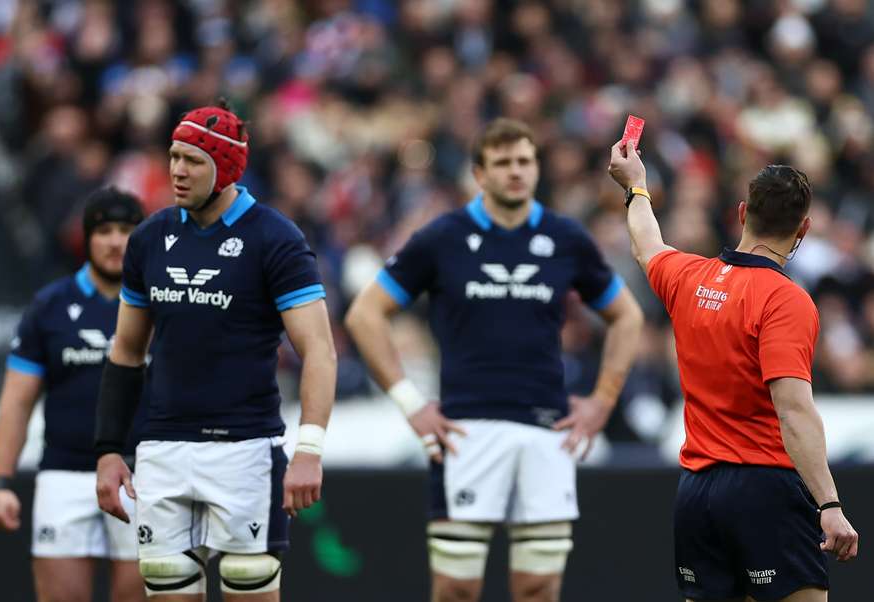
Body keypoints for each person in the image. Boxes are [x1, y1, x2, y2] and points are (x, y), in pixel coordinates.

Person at [345, 118, 645, 602]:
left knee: (538, 588)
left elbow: (627, 317)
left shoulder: (565, 238)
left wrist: (602, 401)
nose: (515, 172)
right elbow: (365, 315)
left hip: (548, 427)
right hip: (465, 430)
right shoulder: (442, 237)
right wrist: (410, 403)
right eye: (502, 163)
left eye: (524, 161)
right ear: (479, 174)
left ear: (537, 168)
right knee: (456, 589)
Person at [93, 99, 337, 602]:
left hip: (245, 448)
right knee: (165, 582)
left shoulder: (276, 239)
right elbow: (126, 352)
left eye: (194, 161)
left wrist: (309, 450)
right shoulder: (149, 239)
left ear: (225, 168)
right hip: (161, 449)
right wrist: (108, 448)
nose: (178, 171)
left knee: (249, 584)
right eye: (174, 156)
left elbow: (319, 351)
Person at [607, 141, 859, 602]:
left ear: (742, 213)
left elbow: (647, 246)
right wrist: (830, 503)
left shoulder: (690, 277)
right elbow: (794, 409)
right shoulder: (785, 299)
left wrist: (637, 187)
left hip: (697, 493)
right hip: (766, 489)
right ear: (803, 229)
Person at [0, 187, 147, 602]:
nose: (115, 241)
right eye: (104, 229)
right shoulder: (50, 306)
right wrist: (1, 482)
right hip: (64, 474)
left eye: (126, 230)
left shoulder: (159, 303)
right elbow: (17, 401)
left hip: (143, 477)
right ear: (87, 237)